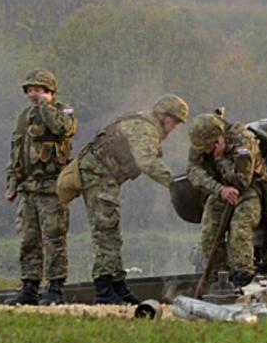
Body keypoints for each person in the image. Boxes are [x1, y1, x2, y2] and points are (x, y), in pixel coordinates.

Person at [76, 94, 188, 305]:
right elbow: (147, 162)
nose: (174, 127)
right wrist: (175, 184)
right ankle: (103, 289)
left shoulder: (145, 124)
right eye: (174, 121)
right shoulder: (144, 128)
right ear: (163, 115)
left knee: (112, 231)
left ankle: (117, 285)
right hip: (98, 176)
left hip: (105, 177)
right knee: (105, 230)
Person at [5, 69, 78, 305]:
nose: (32, 94)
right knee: (28, 240)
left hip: (51, 189)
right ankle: (29, 287)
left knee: (54, 239)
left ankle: (55, 289)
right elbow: (16, 153)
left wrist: (45, 106)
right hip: (28, 189)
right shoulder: (24, 117)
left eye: (37, 90)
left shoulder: (64, 110)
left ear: (50, 91)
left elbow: (63, 129)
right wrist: (12, 183)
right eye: (29, 90)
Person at [187, 112, 267, 288]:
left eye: (208, 147)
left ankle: (242, 275)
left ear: (218, 140)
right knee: (210, 229)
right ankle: (217, 275)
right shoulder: (201, 141)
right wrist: (219, 190)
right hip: (221, 189)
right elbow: (193, 171)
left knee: (239, 228)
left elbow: (242, 181)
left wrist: (220, 158)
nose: (205, 151)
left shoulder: (243, 141)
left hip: (249, 190)